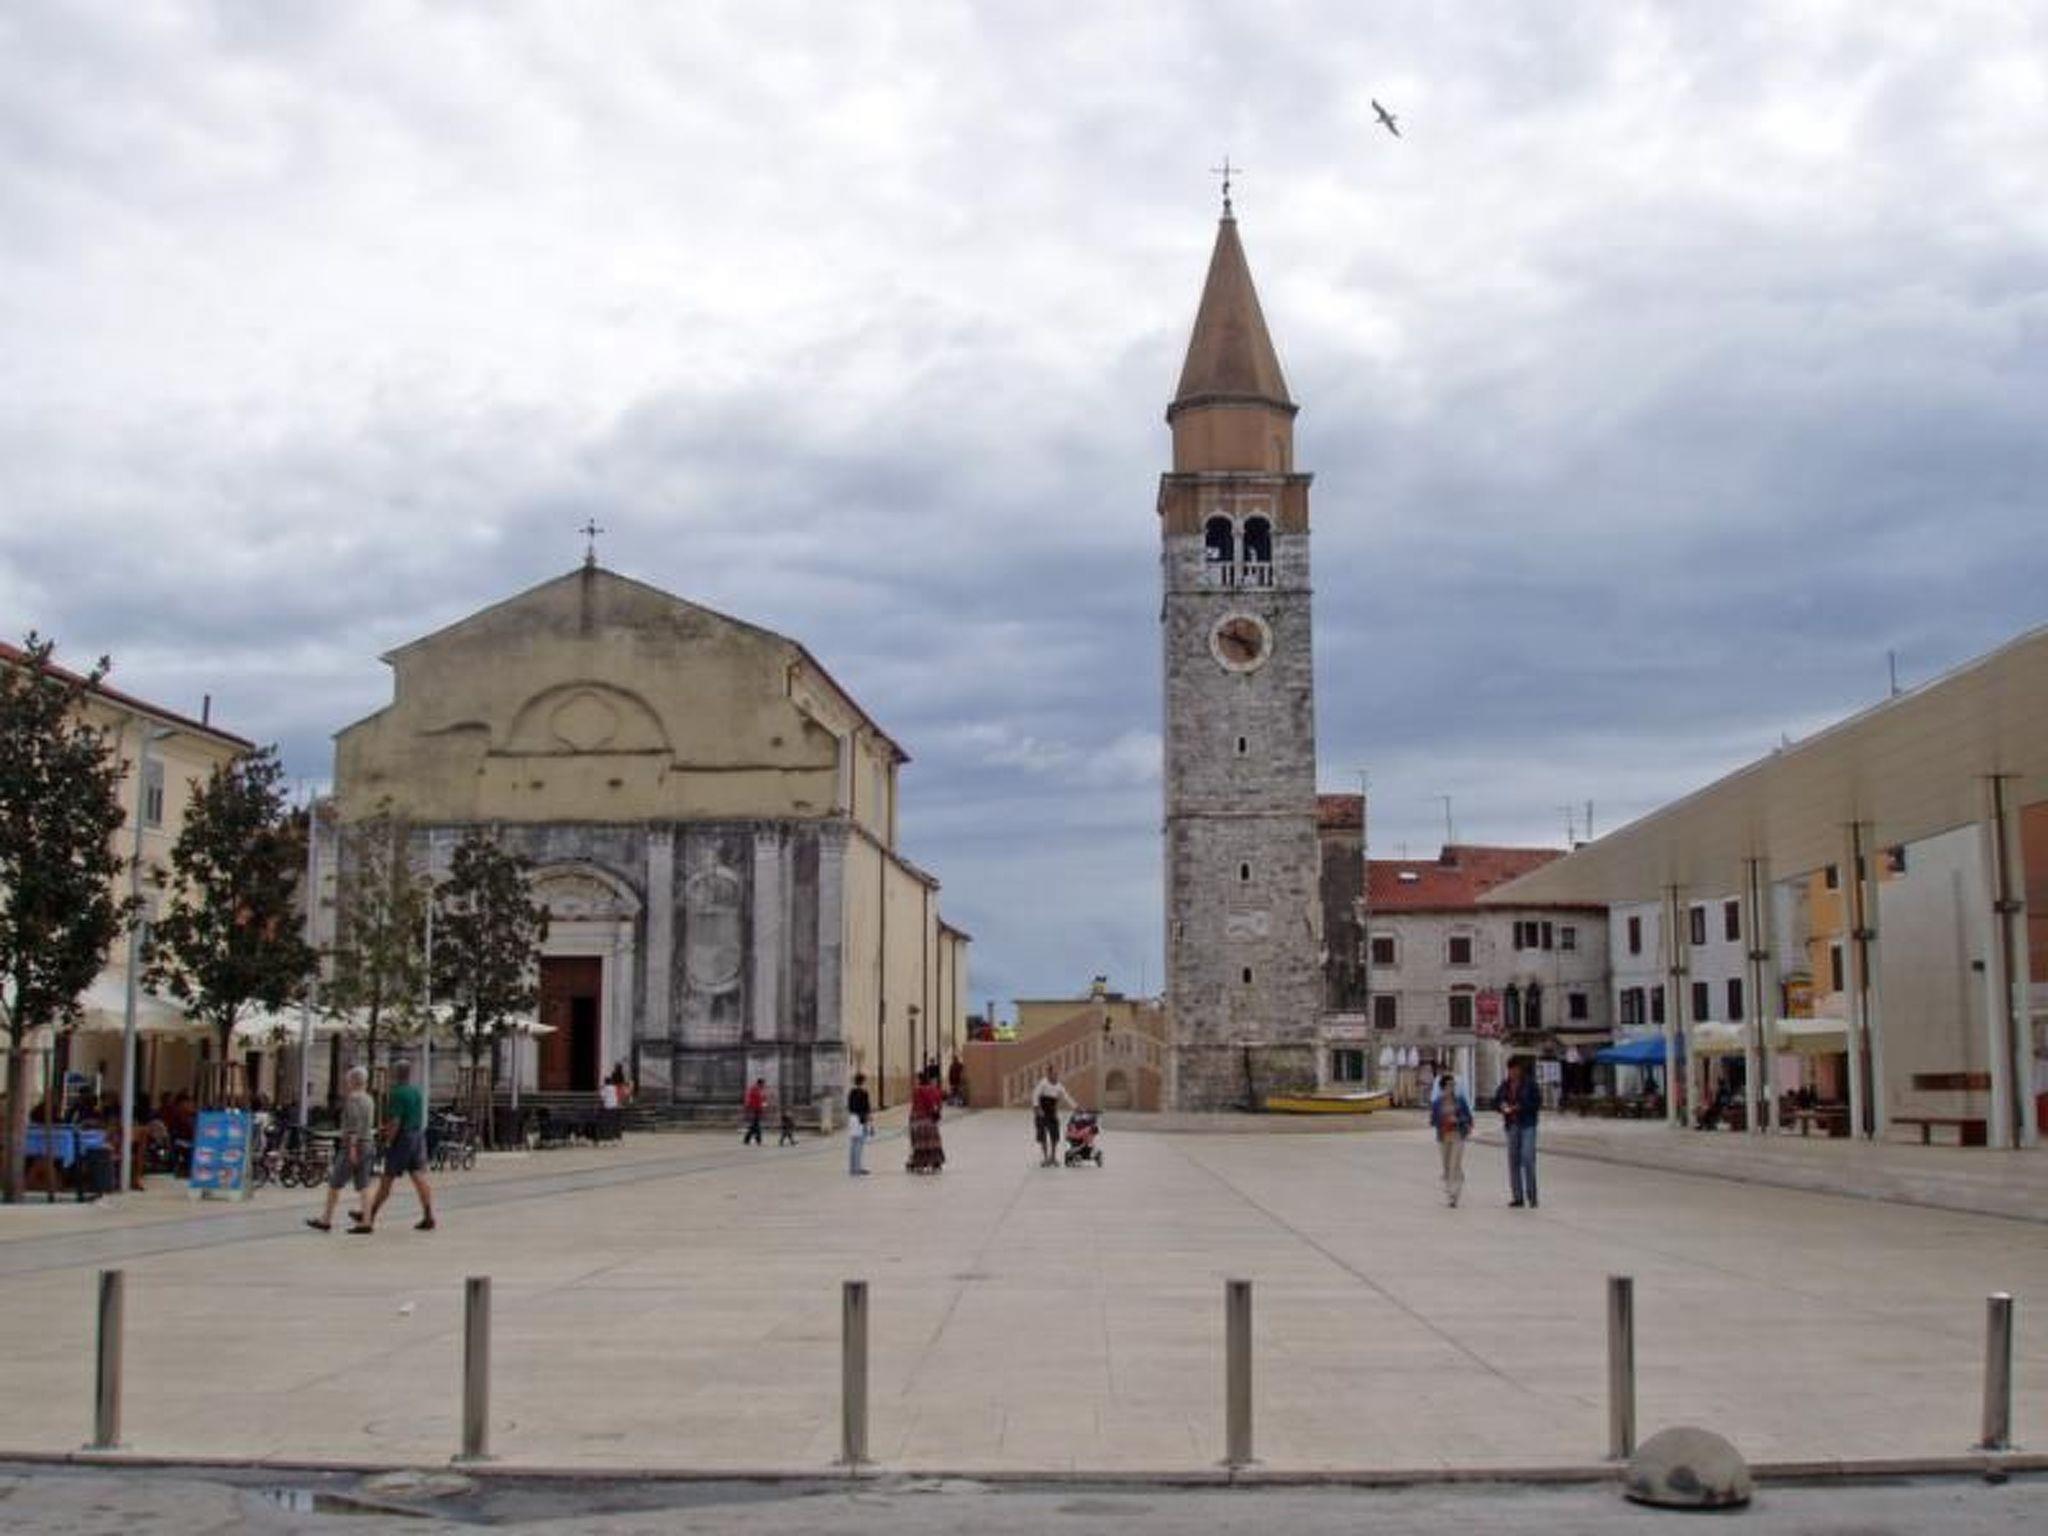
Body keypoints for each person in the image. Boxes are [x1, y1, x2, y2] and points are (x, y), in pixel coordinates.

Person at [352, 1058, 437, 1234]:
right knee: (418, 1177)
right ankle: (428, 1215)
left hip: (402, 1139)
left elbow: (396, 1121)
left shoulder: (396, 1093)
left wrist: (388, 1140)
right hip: (417, 1136)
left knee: (387, 1179)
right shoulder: (416, 1092)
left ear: (395, 1073)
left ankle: (369, 1216)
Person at [307, 1066, 376, 1233]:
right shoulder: (369, 1099)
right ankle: (367, 1221)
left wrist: (351, 1148)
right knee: (364, 1185)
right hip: (368, 1143)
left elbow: (353, 1125)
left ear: (352, 1081)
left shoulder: (353, 1099)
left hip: (354, 1145)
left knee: (334, 1183)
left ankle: (326, 1220)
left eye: (348, 1081)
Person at [1493, 1057, 1542, 1209]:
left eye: (1516, 1069)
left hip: (1527, 1124)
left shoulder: (1530, 1084)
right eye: (1511, 1070)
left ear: (1520, 1070)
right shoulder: (1505, 1085)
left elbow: (1537, 1103)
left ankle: (1532, 1195)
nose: (1513, 1073)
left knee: (1528, 1158)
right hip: (1512, 1125)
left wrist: (1520, 1106)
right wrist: (1502, 1106)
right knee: (1513, 1160)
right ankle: (1517, 1197)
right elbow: (1496, 1101)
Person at [1428, 1072, 1472, 1207]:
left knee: (1455, 1164)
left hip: (1457, 1135)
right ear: (1443, 1087)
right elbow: (1432, 1121)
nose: (1451, 1087)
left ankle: (1454, 1195)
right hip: (1443, 1136)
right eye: (1449, 1085)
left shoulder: (1460, 1100)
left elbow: (1468, 1117)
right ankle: (1450, 1190)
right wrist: (1442, 1120)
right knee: (1447, 1166)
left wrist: (1458, 1120)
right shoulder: (1437, 1103)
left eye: (1453, 1085)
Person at [1031, 1066, 1076, 1167]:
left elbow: (1066, 1096)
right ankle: (1045, 1158)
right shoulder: (1043, 1083)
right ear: (1049, 1073)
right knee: (1042, 1135)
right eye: (1054, 1074)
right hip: (1042, 1112)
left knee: (1055, 1135)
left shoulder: (1059, 1086)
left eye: (1057, 1074)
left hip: (1052, 1113)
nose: (1056, 1076)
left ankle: (1053, 1157)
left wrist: (1075, 1107)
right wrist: (1037, 1108)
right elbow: (1035, 1095)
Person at [905, 1066, 946, 1173]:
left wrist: (911, 1119)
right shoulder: (933, 1090)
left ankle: (920, 1161)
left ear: (920, 1080)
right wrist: (936, 1114)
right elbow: (937, 1103)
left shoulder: (918, 1091)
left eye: (916, 1079)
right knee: (932, 1141)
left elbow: (915, 1106)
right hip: (930, 1120)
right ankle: (935, 1162)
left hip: (919, 1120)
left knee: (920, 1142)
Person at [846, 1072, 872, 1176]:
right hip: (861, 1119)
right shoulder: (864, 1093)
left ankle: (852, 1168)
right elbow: (866, 1108)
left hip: (852, 1118)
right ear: (863, 1082)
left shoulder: (851, 1092)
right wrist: (869, 1121)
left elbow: (849, 1106)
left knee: (853, 1144)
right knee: (859, 1145)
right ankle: (857, 1169)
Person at [742, 1077, 767, 1145]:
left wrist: (764, 1105)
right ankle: (757, 1140)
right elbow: (753, 1100)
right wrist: (751, 1109)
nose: (763, 1085)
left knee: (754, 1126)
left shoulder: (760, 1090)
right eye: (763, 1084)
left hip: (758, 1109)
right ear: (760, 1083)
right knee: (756, 1125)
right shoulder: (754, 1089)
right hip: (755, 1109)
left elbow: (763, 1099)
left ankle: (748, 1139)